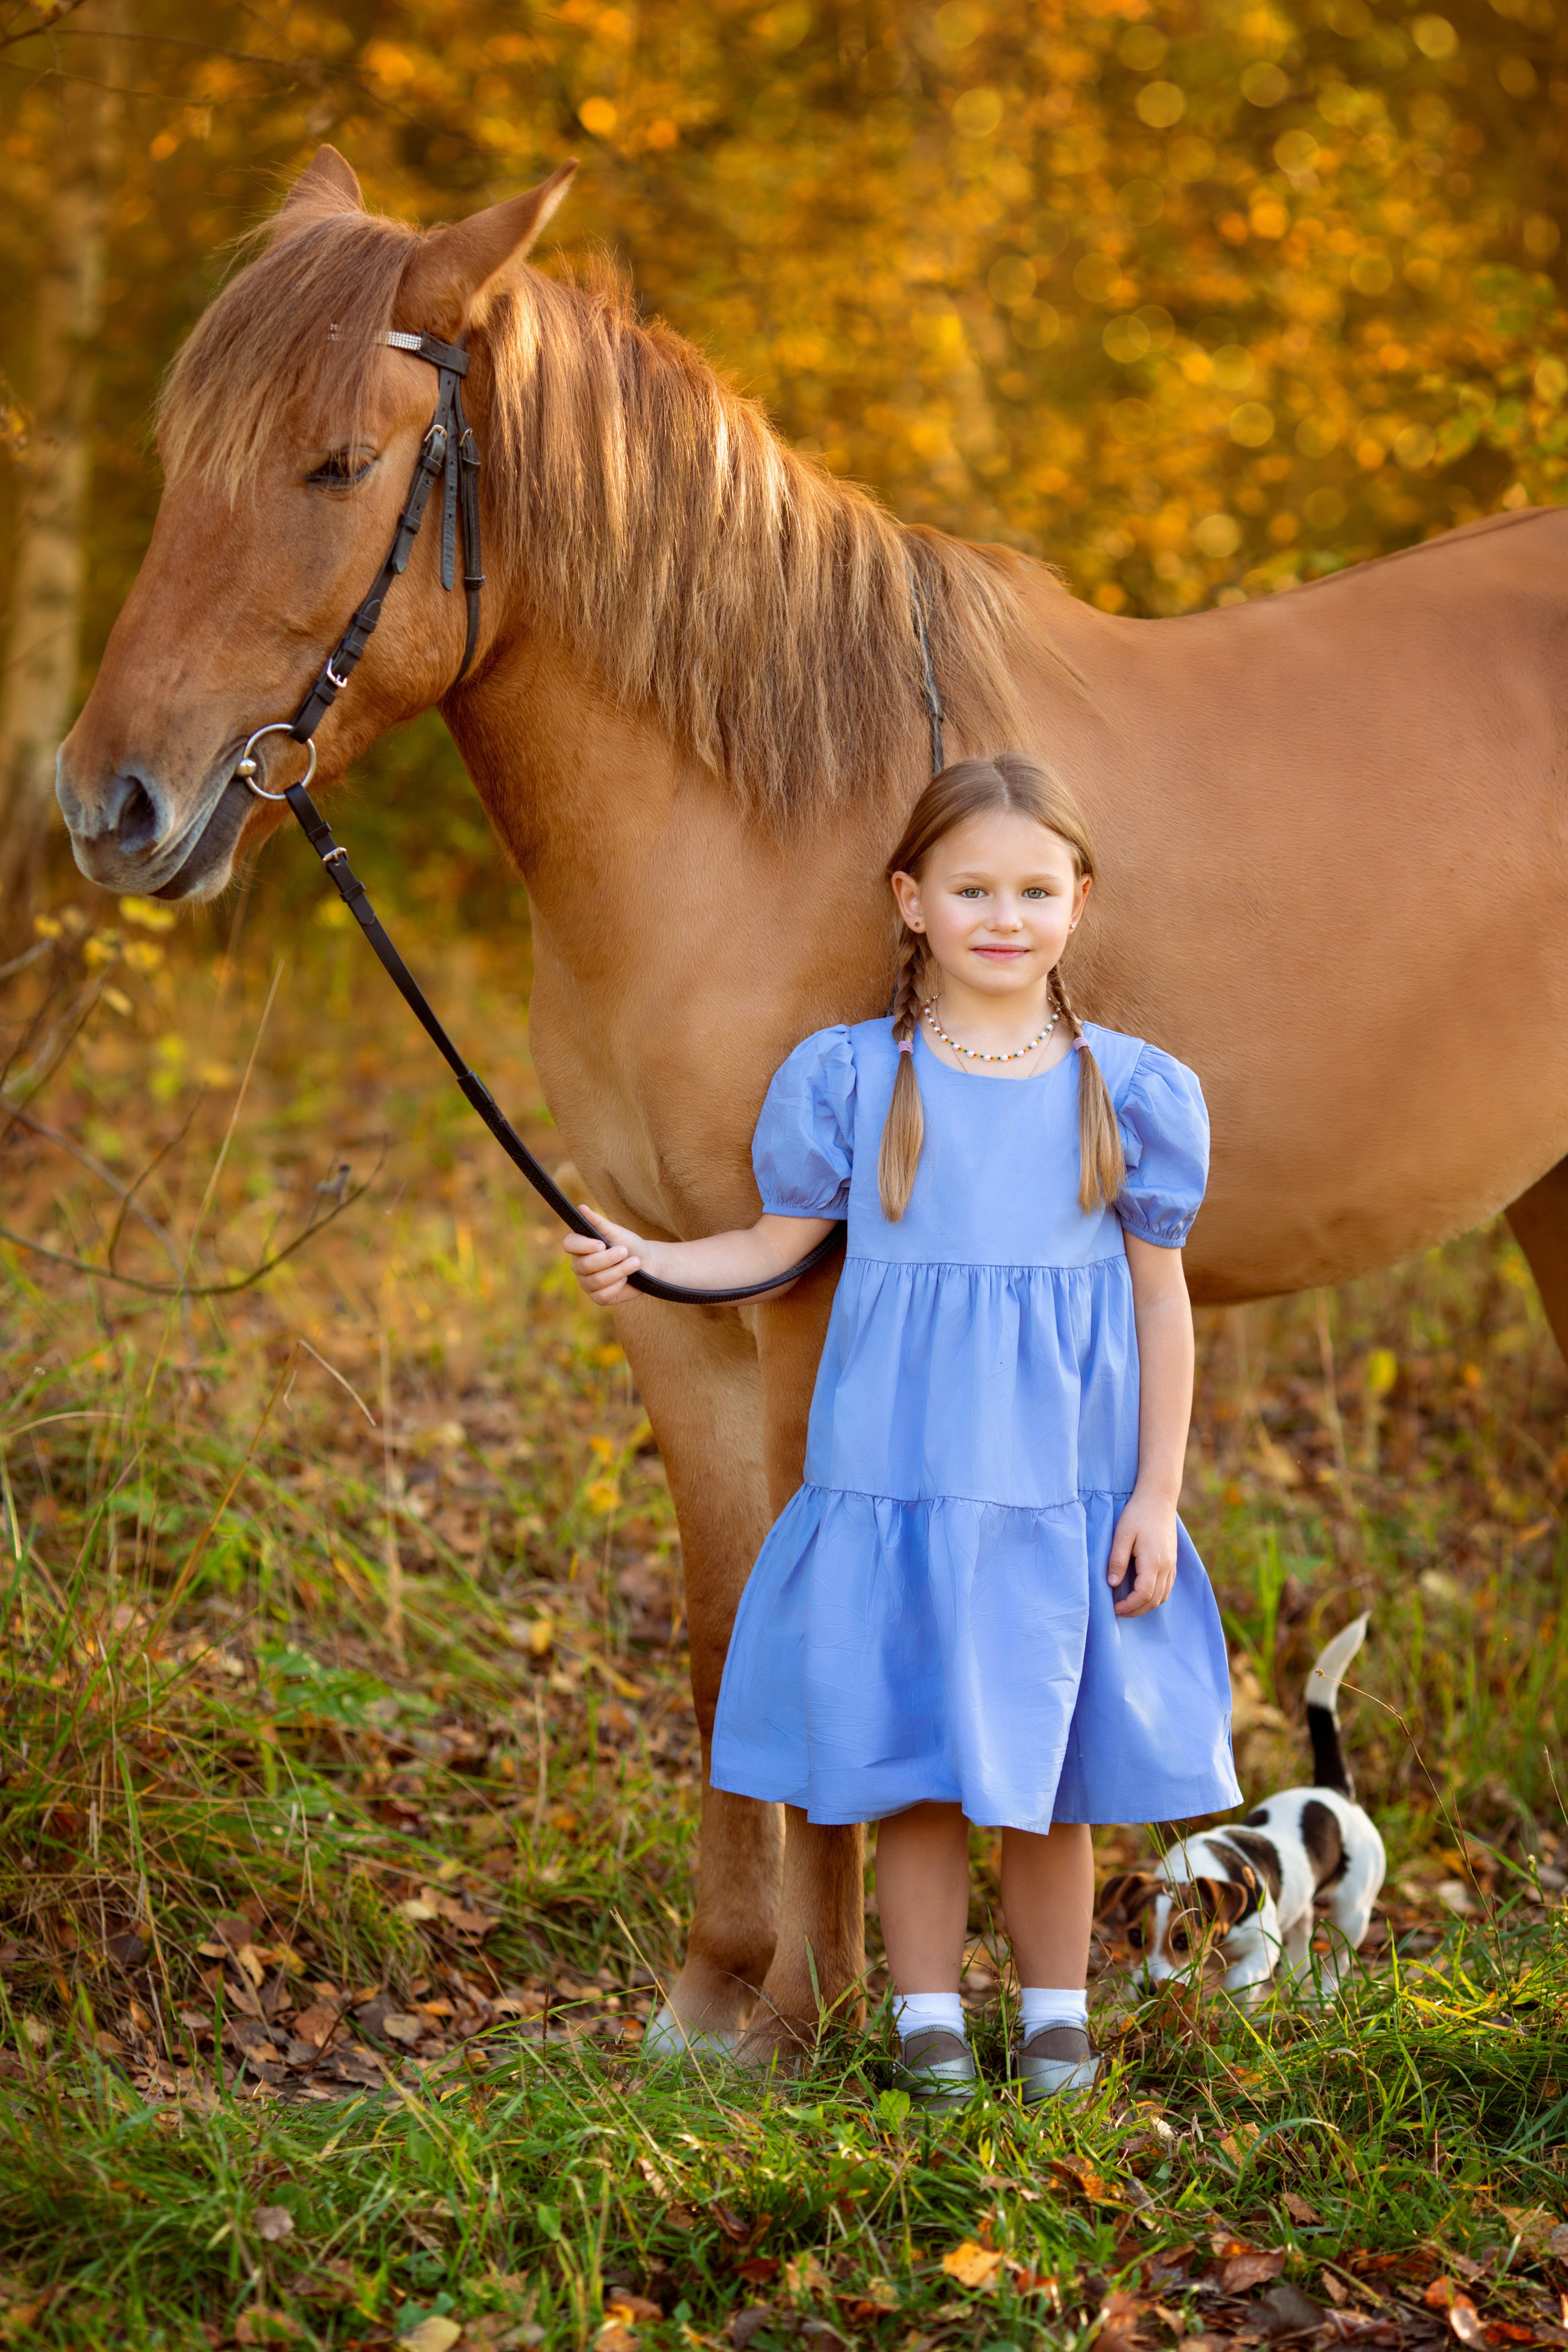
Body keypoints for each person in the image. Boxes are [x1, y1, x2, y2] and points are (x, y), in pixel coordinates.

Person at [564, 752, 1240, 2105]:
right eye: (972, 887)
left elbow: (1160, 1307)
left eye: (1034, 889)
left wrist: (1154, 1493)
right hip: (899, 1491)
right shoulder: (849, 1080)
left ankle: (1055, 2026)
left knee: (1049, 1784)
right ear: (910, 902)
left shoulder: (1129, 1090)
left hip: (1059, 1495)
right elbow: (769, 1245)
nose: (1005, 914)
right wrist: (646, 1259)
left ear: (1078, 904)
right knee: (920, 1777)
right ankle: (925, 2025)